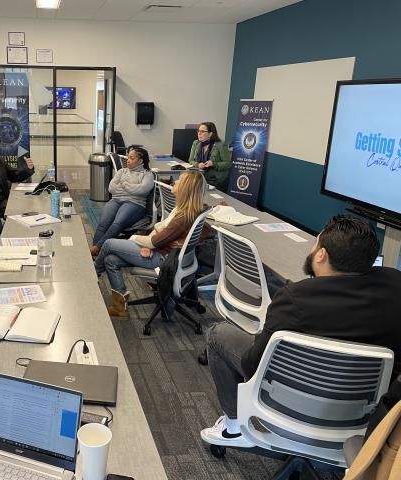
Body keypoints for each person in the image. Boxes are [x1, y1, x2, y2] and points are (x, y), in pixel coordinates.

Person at [201, 216, 401, 448]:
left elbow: (252, 366)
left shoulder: (294, 299)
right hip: (368, 417)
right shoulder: (396, 284)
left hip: (297, 403)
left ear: (321, 255)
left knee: (217, 333)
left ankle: (234, 427)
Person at [94, 171, 206, 319]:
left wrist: (138, 239)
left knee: (108, 244)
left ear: (186, 188)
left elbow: (156, 240)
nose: (175, 182)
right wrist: (150, 243)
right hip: (160, 250)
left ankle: (92, 275)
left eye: (180, 181)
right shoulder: (181, 209)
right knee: (111, 260)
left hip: (163, 259)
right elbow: (159, 231)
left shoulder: (183, 217)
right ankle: (120, 307)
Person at [90, 147, 154, 258]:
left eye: (131, 158)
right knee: (103, 223)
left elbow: (142, 190)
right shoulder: (121, 171)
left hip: (135, 204)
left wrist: (124, 185)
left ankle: (96, 249)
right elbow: (111, 188)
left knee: (117, 223)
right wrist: (132, 189)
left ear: (140, 161)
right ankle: (95, 253)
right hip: (116, 200)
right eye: (128, 157)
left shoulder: (147, 175)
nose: (128, 160)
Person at [187, 122, 231, 191]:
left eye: (202, 131)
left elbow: (228, 163)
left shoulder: (221, 145)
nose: (199, 133)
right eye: (198, 131)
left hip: (216, 180)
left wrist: (214, 164)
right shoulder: (196, 143)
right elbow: (191, 160)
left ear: (210, 134)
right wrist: (197, 164)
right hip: (200, 178)